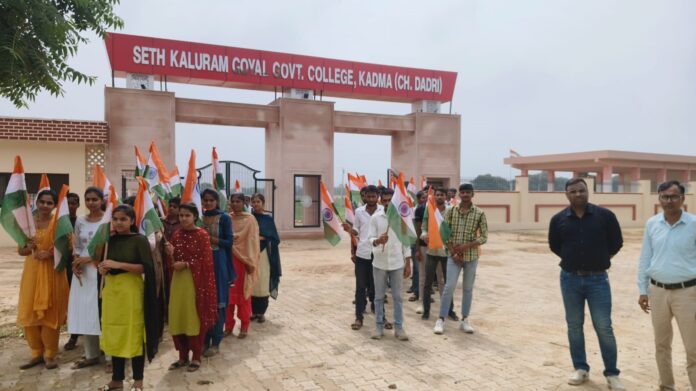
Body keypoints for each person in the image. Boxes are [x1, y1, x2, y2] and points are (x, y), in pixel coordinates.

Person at [548, 178, 625, 390]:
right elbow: (555, 245)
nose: (578, 194)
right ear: (566, 194)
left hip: (598, 279)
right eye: (573, 191)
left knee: (604, 327)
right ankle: (580, 368)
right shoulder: (558, 219)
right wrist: (573, 259)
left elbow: (616, 242)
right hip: (569, 279)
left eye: (581, 190)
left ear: (587, 191)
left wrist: (600, 258)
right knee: (574, 326)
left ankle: (612, 373)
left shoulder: (605, 216)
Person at [637, 180, 696, 390]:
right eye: (664, 196)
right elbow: (645, 258)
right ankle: (666, 386)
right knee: (661, 345)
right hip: (658, 292)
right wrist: (643, 290)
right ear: (659, 198)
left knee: (693, 348)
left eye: (673, 196)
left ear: (682, 198)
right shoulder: (652, 224)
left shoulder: (694, 224)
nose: (669, 201)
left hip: (688, 293)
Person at [98, 205, 159, 391]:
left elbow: (145, 268)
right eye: (115, 219)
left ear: (132, 221)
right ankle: (117, 379)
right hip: (112, 292)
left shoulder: (139, 240)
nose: (118, 222)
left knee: (134, 333)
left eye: (123, 219)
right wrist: (103, 268)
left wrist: (119, 264)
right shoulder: (110, 239)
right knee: (115, 333)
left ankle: (138, 381)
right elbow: (103, 263)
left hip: (131, 291)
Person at [16, 190, 69, 370]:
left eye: (49, 203)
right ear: (36, 202)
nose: (45, 206)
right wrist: (27, 246)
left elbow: (68, 248)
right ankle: (36, 353)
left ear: (54, 205)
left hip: (53, 272)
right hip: (32, 273)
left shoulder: (59, 223)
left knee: (50, 312)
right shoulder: (28, 225)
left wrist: (51, 253)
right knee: (29, 310)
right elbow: (21, 251)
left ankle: (50, 354)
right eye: (42, 202)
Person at [165, 203, 218, 372]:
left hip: (195, 283)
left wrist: (187, 264)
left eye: (187, 215)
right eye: (181, 215)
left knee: (193, 318)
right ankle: (182, 356)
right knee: (178, 316)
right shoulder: (176, 234)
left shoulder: (202, 235)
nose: (183, 218)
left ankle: (196, 356)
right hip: (178, 282)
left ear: (195, 216)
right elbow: (172, 262)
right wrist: (169, 253)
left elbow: (207, 262)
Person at [433, 183, 487, 335]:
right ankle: (441, 319)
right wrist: (454, 252)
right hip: (453, 256)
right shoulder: (451, 212)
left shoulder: (479, 213)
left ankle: (465, 320)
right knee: (449, 287)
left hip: (471, 257)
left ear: (472, 194)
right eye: (462, 192)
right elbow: (444, 233)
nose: (465, 195)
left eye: (467, 192)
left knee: (468, 289)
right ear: (459, 195)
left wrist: (466, 246)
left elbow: (484, 237)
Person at [67, 187, 104, 369]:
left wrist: (90, 259)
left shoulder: (109, 220)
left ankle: (112, 357)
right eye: (88, 199)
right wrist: (76, 264)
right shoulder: (80, 220)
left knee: (103, 313)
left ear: (101, 200)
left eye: (94, 199)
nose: (91, 202)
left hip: (102, 271)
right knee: (86, 312)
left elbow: (108, 247)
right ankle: (91, 355)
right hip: (84, 274)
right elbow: (77, 246)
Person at [368, 188, 411, 341]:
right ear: (380, 200)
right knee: (379, 297)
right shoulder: (375, 218)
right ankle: (379, 326)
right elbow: (370, 238)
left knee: (398, 297)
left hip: (397, 263)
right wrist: (378, 240)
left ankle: (399, 327)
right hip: (379, 262)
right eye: (384, 200)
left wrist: (408, 263)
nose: (387, 203)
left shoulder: (401, 219)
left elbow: (406, 242)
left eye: (390, 200)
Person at [200, 189, 235, 356]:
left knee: (219, 302)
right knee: (204, 301)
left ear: (217, 201)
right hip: (202, 263)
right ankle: (204, 340)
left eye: (211, 200)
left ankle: (216, 341)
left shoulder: (225, 218)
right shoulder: (199, 218)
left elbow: (229, 242)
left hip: (218, 261)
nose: (208, 203)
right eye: (205, 200)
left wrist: (209, 238)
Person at [344, 185, 381, 330]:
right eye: (368, 196)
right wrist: (349, 230)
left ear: (377, 197)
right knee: (360, 287)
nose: (371, 199)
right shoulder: (359, 212)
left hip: (378, 254)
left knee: (377, 288)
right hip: (362, 254)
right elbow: (356, 231)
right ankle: (359, 317)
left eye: (374, 196)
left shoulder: (383, 211)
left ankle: (380, 316)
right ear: (364, 196)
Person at [225, 193, 259, 339]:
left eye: (238, 201)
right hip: (228, 261)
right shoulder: (226, 218)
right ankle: (228, 326)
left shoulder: (250, 219)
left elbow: (253, 242)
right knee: (228, 296)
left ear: (244, 202)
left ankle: (244, 326)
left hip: (244, 262)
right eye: (233, 201)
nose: (235, 204)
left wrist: (251, 263)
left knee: (243, 295)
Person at [420, 187, 457, 320]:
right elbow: (424, 224)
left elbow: (454, 229)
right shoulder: (429, 208)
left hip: (446, 252)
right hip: (432, 251)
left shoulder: (451, 210)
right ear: (434, 196)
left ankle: (449, 310)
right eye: (437, 195)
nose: (439, 197)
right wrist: (424, 234)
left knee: (448, 283)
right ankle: (426, 311)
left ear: (446, 197)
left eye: (442, 195)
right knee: (428, 283)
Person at [250, 193, 281, 323]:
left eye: (258, 201)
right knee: (252, 283)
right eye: (254, 202)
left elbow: (275, 238)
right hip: (251, 253)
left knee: (262, 282)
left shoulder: (268, 219)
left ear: (263, 203)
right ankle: (253, 312)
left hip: (264, 254)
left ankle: (261, 313)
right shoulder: (249, 218)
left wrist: (263, 237)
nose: (256, 204)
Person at [64, 191, 81, 351]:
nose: (71, 206)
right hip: (59, 267)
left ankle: (74, 336)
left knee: (75, 301)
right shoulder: (58, 222)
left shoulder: (80, 222)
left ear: (78, 205)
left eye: (74, 203)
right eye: (68, 203)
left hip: (76, 267)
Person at [407, 191, 427, 302]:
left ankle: (425, 293)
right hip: (416, 242)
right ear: (418, 199)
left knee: (425, 271)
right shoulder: (414, 210)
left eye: (426, 198)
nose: (425, 200)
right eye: (423, 198)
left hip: (426, 244)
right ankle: (416, 292)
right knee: (417, 269)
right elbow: (415, 229)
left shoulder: (429, 210)